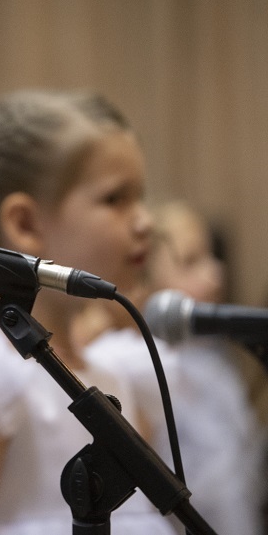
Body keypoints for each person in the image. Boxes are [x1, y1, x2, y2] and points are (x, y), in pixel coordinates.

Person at [0, 89, 178, 535]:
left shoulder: (120, 379)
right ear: (25, 223)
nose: (145, 221)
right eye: (114, 199)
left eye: (140, 197)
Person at [85, 199, 268, 534]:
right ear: (144, 283)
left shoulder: (216, 359)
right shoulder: (140, 369)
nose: (216, 271)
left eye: (210, 256)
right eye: (190, 262)